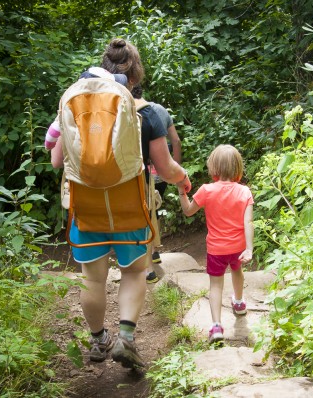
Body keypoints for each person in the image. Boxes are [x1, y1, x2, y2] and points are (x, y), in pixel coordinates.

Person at [50, 38, 191, 367]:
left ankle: (100, 341)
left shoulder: (75, 104)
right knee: (133, 271)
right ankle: (126, 337)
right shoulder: (149, 112)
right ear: (136, 74)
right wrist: (183, 179)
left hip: (86, 206)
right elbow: (166, 168)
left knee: (93, 278)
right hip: (130, 205)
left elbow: (57, 160)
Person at [177, 144, 254, 343]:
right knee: (237, 271)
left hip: (216, 249)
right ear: (237, 167)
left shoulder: (206, 190)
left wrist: (181, 191)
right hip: (238, 247)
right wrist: (249, 248)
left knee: (216, 285)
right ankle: (238, 303)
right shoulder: (244, 192)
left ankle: (216, 327)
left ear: (214, 168)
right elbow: (249, 222)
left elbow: (188, 211)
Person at [130, 84, 182, 283]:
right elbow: (175, 141)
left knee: (142, 212)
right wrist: (174, 167)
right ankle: (154, 252)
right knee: (155, 209)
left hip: (137, 172)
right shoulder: (159, 110)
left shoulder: (123, 110)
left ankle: (147, 266)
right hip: (160, 171)